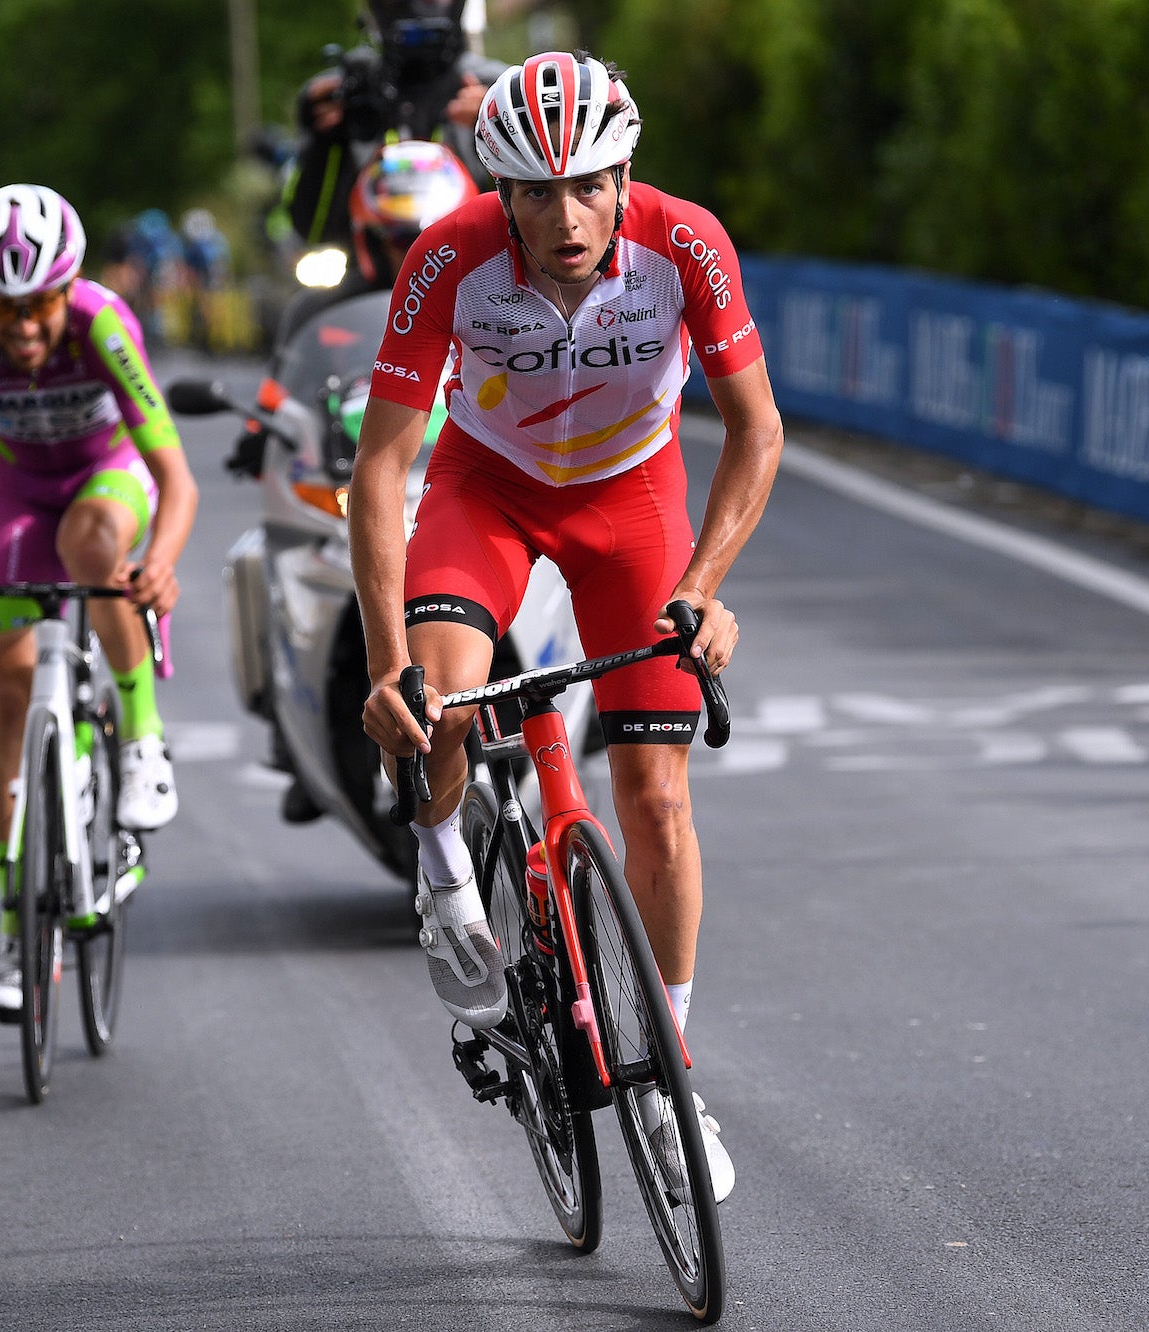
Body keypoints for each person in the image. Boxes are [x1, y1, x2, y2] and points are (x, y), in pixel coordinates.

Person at [351, 52, 785, 1203]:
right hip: (483, 490)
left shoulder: (684, 242)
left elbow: (754, 433)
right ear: (498, 193)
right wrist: (386, 660)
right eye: (534, 193)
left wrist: (701, 585)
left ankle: (667, 1078)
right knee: (440, 696)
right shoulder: (445, 255)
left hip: (630, 501)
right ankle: (443, 863)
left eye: (587, 184)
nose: (564, 214)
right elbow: (381, 469)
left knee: (654, 798)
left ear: (624, 174)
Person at [0, 183, 199, 1021]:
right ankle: (18, 928)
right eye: (4, 309)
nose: (22, 329)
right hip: (18, 495)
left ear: (70, 287)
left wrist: (160, 562)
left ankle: (141, 743)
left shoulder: (103, 323)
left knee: (90, 548)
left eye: (40, 306)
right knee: (8, 691)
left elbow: (174, 476)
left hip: (107, 479)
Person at [284, 0, 505, 247]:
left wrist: (499, 132)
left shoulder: (500, 90)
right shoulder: (343, 94)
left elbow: (535, 218)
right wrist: (325, 146)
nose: (418, 6)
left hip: (478, 265)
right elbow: (313, 234)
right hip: (373, 272)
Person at [276, 139, 477, 345]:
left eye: (434, 242)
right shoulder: (321, 309)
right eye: (403, 239)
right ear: (374, 241)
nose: (417, 252)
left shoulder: (494, 304)